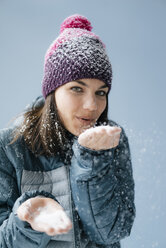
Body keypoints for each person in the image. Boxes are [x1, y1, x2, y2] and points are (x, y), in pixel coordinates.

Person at [0, 14, 135, 248]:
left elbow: (114, 231)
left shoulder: (112, 141)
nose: (92, 106)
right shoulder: (10, 146)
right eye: (76, 89)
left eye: (101, 92)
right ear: (52, 91)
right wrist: (27, 218)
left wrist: (93, 162)